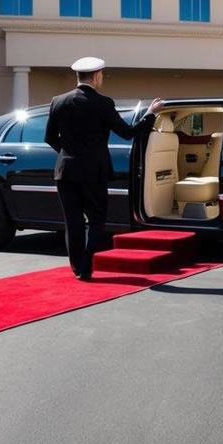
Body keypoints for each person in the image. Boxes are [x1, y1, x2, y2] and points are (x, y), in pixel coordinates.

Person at [44, 57, 162, 280]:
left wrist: (69, 154)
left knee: (73, 222)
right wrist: (150, 114)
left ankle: (78, 268)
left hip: (65, 171)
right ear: (97, 76)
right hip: (93, 173)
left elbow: (49, 137)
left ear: (78, 77)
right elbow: (128, 133)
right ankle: (88, 264)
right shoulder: (103, 103)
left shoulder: (58, 101)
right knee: (97, 220)